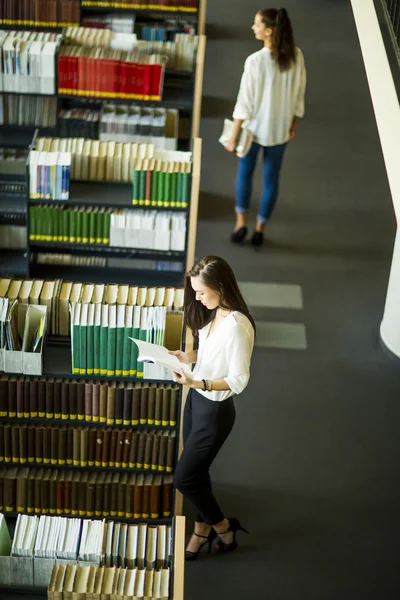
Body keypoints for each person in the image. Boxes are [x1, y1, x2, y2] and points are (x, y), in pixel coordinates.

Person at [169, 255, 255, 560]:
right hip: (196, 403)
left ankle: (222, 526)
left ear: (219, 286)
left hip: (215, 412)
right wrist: (185, 357)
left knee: (184, 478)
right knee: (197, 472)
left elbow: (238, 380)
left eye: (201, 292)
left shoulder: (237, 326)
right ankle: (201, 530)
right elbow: (208, 355)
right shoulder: (213, 312)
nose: (197, 297)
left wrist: (198, 383)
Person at [226, 7, 306, 247]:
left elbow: (245, 102)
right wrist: (293, 122)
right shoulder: (296, 56)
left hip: (252, 131)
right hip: (280, 130)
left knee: (245, 174)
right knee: (272, 180)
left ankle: (241, 224)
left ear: (269, 31)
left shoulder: (255, 62)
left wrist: (233, 135)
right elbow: (299, 93)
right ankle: (260, 229)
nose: (253, 28)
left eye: (257, 24)